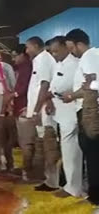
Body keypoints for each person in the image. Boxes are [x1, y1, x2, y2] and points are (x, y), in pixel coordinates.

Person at [62, 29, 99, 205]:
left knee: (93, 153)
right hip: (90, 109)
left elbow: (91, 85)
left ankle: (95, 196)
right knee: (91, 153)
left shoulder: (90, 56)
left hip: (91, 110)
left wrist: (72, 96)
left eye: (71, 47)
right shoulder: (92, 56)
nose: (71, 52)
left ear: (78, 44)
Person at [44, 36, 83, 198]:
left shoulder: (73, 64)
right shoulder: (59, 64)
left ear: (66, 47)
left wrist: (52, 94)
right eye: (52, 51)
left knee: (71, 152)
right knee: (66, 151)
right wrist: (50, 98)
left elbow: (64, 86)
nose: (54, 54)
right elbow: (54, 86)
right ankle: (70, 185)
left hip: (70, 112)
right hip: (60, 111)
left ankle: (73, 188)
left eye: (56, 50)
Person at [26, 36, 60, 191]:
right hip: (41, 109)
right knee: (45, 145)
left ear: (34, 46)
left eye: (28, 47)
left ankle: (53, 181)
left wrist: (37, 109)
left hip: (44, 110)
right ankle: (49, 179)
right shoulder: (40, 59)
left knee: (49, 146)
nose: (27, 51)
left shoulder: (43, 59)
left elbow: (44, 84)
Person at [10, 44, 33, 180]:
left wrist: (11, 95)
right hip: (19, 108)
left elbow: (22, 89)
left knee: (26, 142)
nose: (13, 59)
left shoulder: (27, 67)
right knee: (23, 141)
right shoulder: (19, 68)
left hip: (25, 108)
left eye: (15, 56)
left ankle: (28, 171)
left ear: (22, 55)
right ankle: (27, 168)